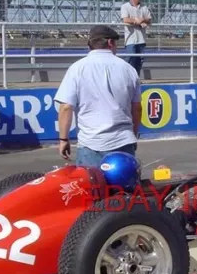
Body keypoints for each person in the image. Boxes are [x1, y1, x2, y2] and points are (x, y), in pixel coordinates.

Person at [55, 25, 142, 167]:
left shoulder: (77, 68)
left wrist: (63, 139)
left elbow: (65, 107)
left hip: (91, 144)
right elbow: (137, 108)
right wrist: (133, 135)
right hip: (123, 141)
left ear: (90, 44)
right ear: (110, 43)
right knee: (124, 188)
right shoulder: (129, 69)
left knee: (92, 188)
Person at [120, 0, 152, 77]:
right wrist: (137, 21)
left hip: (141, 38)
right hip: (130, 38)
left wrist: (142, 20)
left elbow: (149, 19)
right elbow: (125, 19)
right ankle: (127, 77)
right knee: (130, 58)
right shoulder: (125, 6)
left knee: (140, 59)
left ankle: (136, 78)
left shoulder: (144, 7)